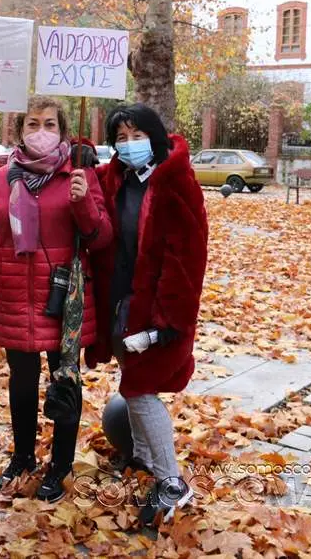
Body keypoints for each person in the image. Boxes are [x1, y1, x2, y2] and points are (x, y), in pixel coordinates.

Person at [0, 96, 111, 502]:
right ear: (20, 131)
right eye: (33, 124)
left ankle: (61, 465)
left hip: (62, 302)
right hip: (13, 298)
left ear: (63, 130)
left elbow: (102, 238)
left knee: (65, 381)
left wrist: (83, 202)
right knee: (23, 383)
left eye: (50, 124)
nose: (41, 132)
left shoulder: (78, 175)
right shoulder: (1, 180)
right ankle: (23, 456)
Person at [88, 104, 208, 526]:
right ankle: (141, 456)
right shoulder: (116, 178)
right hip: (122, 304)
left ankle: (172, 482)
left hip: (158, 312)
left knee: (139, 390)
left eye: (136, 134)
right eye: (120, 137)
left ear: (154, 137)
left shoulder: (175, 183)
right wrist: (82, 154)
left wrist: (165, 325)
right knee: (130, 378)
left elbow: (187, 258)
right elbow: (91, 192)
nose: (128, 143)